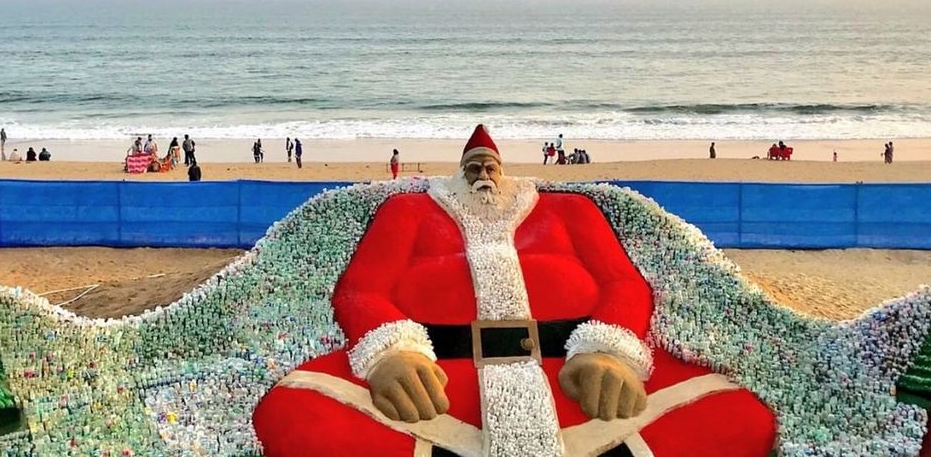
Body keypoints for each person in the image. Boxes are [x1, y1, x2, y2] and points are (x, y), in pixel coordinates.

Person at [253, 124, 777, 457]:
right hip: (440, 377)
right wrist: (391, 355)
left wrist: (609, 353)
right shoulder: (407, 209)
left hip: (573, 371)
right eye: (473, 166)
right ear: (459, 173)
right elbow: (361, 289)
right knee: (292, 414)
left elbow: (624, 282)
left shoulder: (571, 209)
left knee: (741, 415)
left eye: (490, 166)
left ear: (504, 171)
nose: (483, 173)